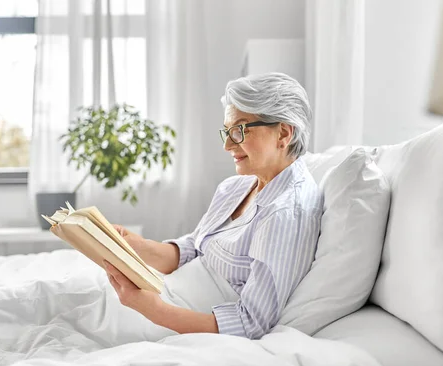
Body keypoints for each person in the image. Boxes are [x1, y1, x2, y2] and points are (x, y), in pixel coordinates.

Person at [104, 72, 323, 340]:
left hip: (168, 319)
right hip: (161, 294)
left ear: (284, 134)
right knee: (52, 296)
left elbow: (250, 323)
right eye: (227, 131)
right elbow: (194, 249)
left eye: (239, 130)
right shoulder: (236, 187)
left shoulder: (285, 212)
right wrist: (137, 247)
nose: (227, 144)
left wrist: (150, 308)